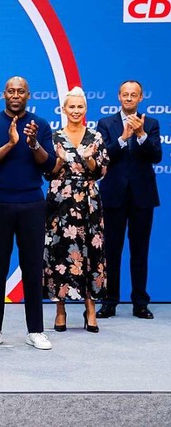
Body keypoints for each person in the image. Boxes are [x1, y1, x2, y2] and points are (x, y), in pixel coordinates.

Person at [0, 76, 56, 350]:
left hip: (32, 205)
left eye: (21, 91)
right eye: (11, 90)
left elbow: (51, 166)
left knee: (33, 267)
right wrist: (11, 143)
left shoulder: (40, 125)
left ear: (28, 95)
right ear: (4, 94)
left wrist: (33, 144)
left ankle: (35, 330)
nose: (16, 95)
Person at [43, 87, 109, 333]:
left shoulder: (96, 137)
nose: (75, 111)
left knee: (91, 252)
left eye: (79, 107)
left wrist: (91, 160)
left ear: (85, 109)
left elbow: (101, 171)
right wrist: (58, 162)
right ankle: (60, 310)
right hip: (60, 202)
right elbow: (46, 171)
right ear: (63, 109)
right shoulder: (53, 137)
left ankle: (90, 308)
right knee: (59, 253)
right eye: (71, 107)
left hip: (89, 202)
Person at [96, 80, 162, 320]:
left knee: (140, 251)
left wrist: (142, 135)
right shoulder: (106, 124)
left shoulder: (151, 124)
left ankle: (140, 303)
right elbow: (103, 156)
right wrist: (123, 138)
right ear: (119, 97)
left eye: (134, 95)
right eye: (125, 95)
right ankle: (109, 301)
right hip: (113, 196)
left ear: (141, 98)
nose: (129, 99)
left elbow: (157, 156)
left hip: (142, 197)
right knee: (111, 251)